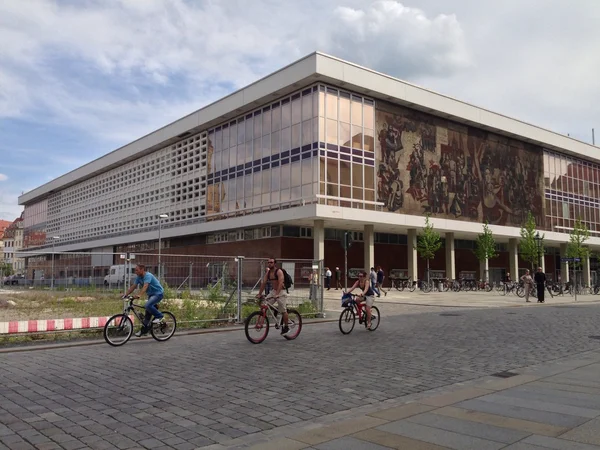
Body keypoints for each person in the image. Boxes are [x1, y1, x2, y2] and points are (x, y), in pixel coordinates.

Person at [123, 264, 165, 337]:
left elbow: (145, 286)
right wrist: (126, 294)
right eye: (135, 270)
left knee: (147, 305)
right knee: (147, 314)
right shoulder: (139, 277)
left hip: (158, 293)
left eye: (137, 270)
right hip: (151, 295)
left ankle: (159, 316)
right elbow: (133, 286)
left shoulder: (148, 276)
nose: (135, 272)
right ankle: (144, 330)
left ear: (142, 270)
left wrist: (139, 295)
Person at [256, 258, 289, 335]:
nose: (269, 264)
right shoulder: (268, 273)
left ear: (275, 264)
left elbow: (281, 283)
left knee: (283, 310)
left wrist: (277, 294)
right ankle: (276, 310)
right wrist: (259, 294)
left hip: (281, 292)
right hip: (273, 291)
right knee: (264, 304)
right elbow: (263, 283)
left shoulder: (279, 272)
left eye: (271, 262)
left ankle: (286, 327)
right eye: (268, 262)